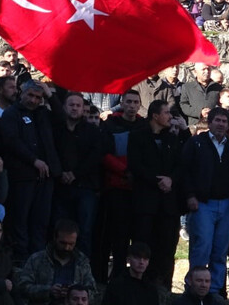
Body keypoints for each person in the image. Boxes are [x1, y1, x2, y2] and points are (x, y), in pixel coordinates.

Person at [1, 80, 63, 262]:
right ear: (22, 93)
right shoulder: (11, 114)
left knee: (40, 222)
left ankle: (38, 261)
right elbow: (12, 141)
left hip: (45, 178)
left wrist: (50, 95)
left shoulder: (43, 113)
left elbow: (62, 118)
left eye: (38, 97)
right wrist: (33, 160)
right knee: (20, 221)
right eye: (31, 95)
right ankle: (21, 263)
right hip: (23, 176)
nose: (34, 100)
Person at [127, 100, 185, 290]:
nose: (170, 116)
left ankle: (164, 290)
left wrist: (171, 180)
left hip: (168, 205)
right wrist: (156, 180)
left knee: (167, 249)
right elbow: (135, 165)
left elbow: (180, 165)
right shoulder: (137, 137)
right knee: (143, 246)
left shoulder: (173, 138)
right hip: (145, 203)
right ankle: (139, 287)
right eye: (166, 113)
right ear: (155, 116)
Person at [182, 107, 229, 298]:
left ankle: (214, 293)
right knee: (201, 248)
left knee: (220, 252)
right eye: (218, 120)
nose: (221, 124)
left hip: (228, 204)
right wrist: (190, 195)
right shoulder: (196, 143)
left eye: (224, 121)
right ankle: (193, 291)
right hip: (203, 203)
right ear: (210, 122)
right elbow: (185, 171)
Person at [96, 89, 146, 282]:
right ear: (122, 103)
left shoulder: (144, 125)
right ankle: (116, 275)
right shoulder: (110, 125)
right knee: (118, 236)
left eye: (135, 102)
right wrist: (125, 171)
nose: (132, 106)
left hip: (139, 189)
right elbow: (104, 154)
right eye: (129, 102)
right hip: (117, 187)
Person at [52, 92, 106, 257]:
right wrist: (61, 172)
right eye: (71, 105)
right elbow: (52, 152)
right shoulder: (56, 130)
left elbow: (95, 156)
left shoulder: (92, 131)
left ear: (84, 109)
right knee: (59, 230)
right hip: (61, 187)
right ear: (64, 107)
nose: (74, 108)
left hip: (85, 187)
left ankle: (82, 274)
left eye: (78, 105)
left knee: (84, 231)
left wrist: (75, 174)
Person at [17, 219, 96, 305]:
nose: (66, 247)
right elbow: (22, 287)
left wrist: (74, 293)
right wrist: (48, 291)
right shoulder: (37, 259)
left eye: (71, 244)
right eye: (63, 243)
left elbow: (93, 291)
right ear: (55, 238)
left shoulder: (82, 262)